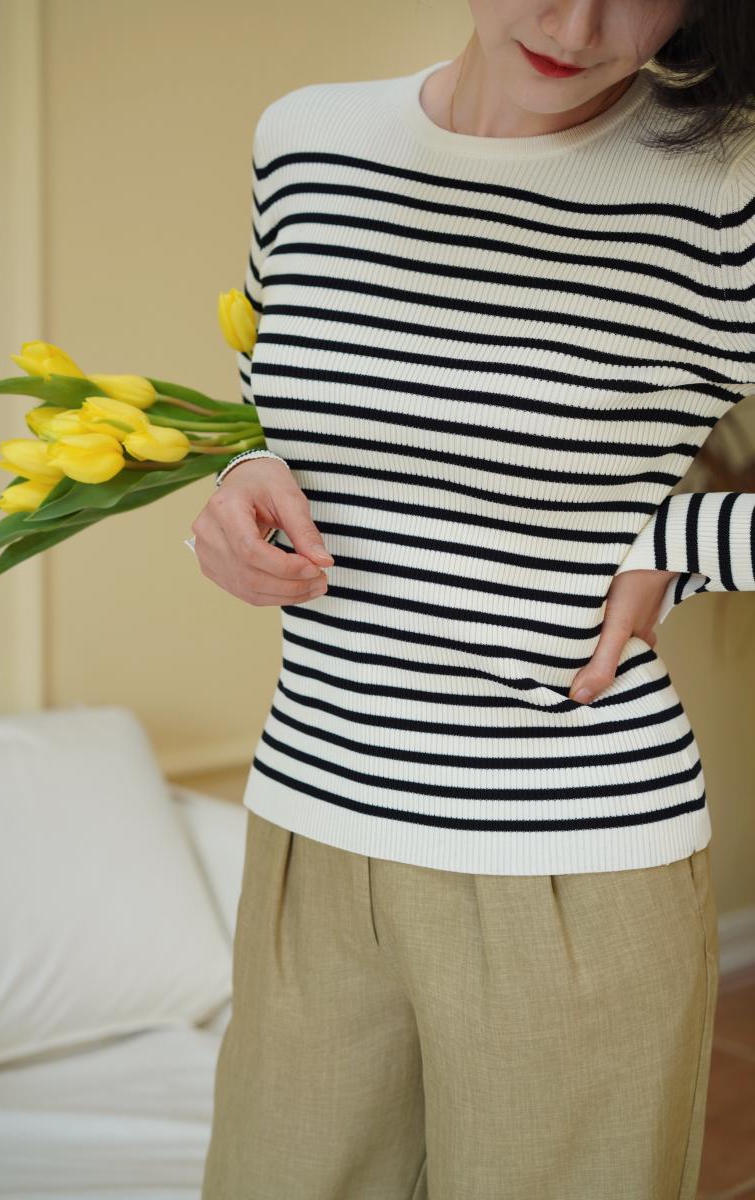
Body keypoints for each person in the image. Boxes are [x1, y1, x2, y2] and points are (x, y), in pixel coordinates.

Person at [192, 2, 755, 1196]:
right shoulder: (306, 140)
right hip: (310, 821)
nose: (577, 18)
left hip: (570, 869)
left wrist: (680, 540)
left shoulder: (725, 184)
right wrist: (238, 480)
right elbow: (260, 381)